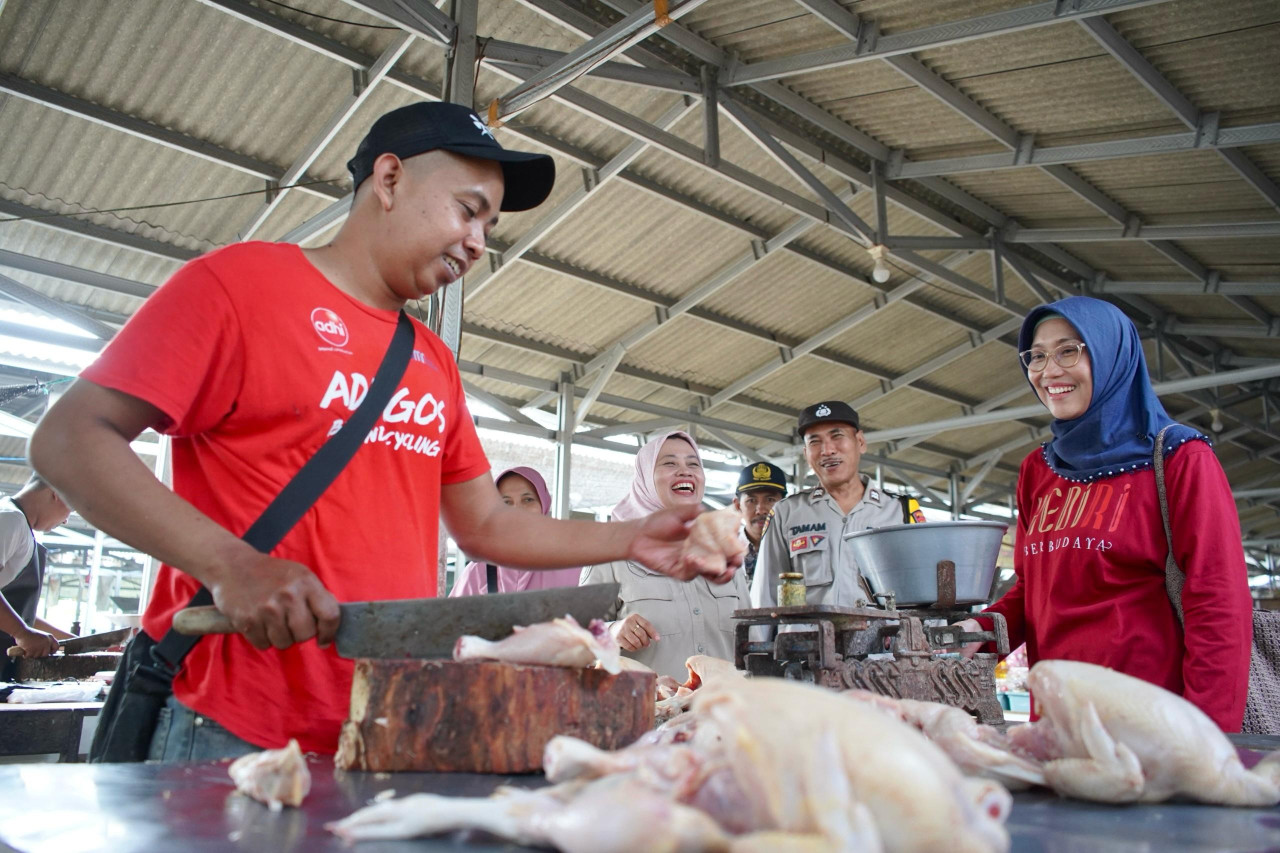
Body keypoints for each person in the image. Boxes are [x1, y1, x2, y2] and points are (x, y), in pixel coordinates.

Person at [28, 102, 742, 761]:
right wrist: (230, 565)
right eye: (468, 211)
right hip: (226, 724)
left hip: (382, 723)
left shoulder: (430, 359)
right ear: (391, 178)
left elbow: (487, 524)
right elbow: (68, 439)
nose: (478, 243)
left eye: (489, 227)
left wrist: (633, 538)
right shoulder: (240, 286)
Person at [956, 296, 1252, 732]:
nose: (1049, 371)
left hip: (1152, 730)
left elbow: (1218, 604)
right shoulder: (1038, 470)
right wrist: (978, 631)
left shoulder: (1180, 458)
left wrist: (1209, 737)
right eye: (1036, 356)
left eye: (1068, 351)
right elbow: (1033, 591)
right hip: (1058, 724)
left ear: (1112, 354)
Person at [581, 431, 750, 679]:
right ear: (645, 480)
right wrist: (613, 631)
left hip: (722, 701)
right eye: (670, 463)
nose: (685, 471)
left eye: (693, 464)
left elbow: (749, 636)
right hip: (647, 702)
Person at [751, 401, 922, 611]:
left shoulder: (900, 511)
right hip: (807, 633)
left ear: (860, 442)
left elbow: (924, 589)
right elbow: (764, 596)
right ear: (806, 453)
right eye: (815, 442)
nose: (827, 450)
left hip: (880, 633)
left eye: (837, 436)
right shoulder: (786, 513)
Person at [449, 466, 579, 595]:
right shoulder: (478, 572)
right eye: (506, 502)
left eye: (528, 500)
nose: (517, 510)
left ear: (543, 505)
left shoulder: (572, 567)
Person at [0, 474, 74, 660]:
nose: (66, 520)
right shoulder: (10, 519)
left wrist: (77, 642)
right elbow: (21, 627)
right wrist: (22, 633)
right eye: (71, 508)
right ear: (57, 493)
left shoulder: (20, 525)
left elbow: (21, 615)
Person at [733, 461, 787, 586]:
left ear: (785, 505)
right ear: (738, 506)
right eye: (751, 500)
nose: (761, 510)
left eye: (770, 500)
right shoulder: (721, 553)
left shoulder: (796, 548)